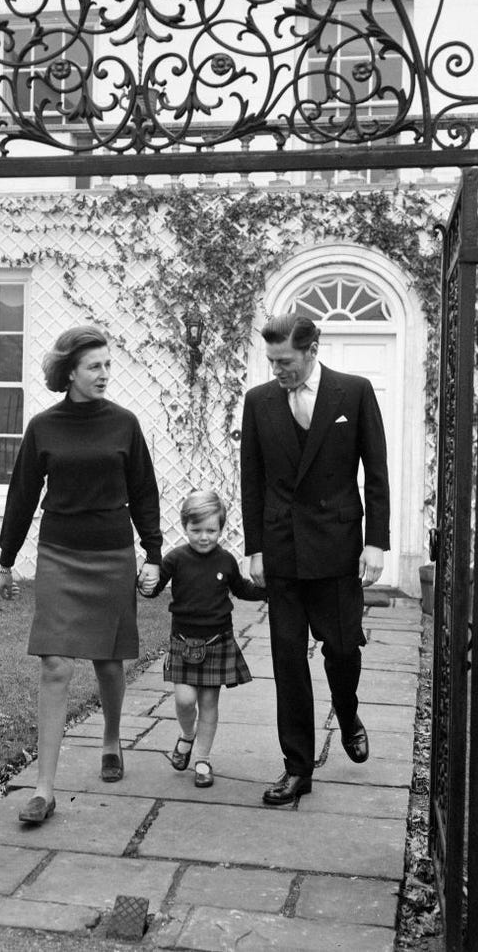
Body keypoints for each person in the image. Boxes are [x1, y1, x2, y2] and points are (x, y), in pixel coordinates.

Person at [0, 325, 162, 824]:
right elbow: (22, 495)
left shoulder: (125, 424)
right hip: (60, 555)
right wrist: (6, 560)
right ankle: (44, 788)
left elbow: (145, 492)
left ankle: (111, 738)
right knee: (55, 665)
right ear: (70, 371)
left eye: (108, 365)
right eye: (95, 366)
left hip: (112, 553)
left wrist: (153, 553)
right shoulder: (44, 427)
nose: (105, 374)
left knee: (109, 662)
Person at [240, 312, 389, 805]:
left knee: (343, 648)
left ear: (311, 349)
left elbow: (376, 472)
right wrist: (255, 547)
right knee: (287, 658)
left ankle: (347, 712)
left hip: (338, 545)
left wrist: (376, 540)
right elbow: (252, 479)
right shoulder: (258, 402)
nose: (277, 370)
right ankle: (297, 767)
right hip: (282, 548)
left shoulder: (355, 391)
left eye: (284, 360)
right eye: (271, 361)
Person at [139, 489, 266, 788]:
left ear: (221, 528)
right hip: (183, 641)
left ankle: (203, 759)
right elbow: (154, 589)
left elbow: (242, 589)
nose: (204, 537)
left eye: (212, 530)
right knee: (185, 699)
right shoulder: (176, 559)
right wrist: (143, 581)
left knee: (209, 703)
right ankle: (186, 735)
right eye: (197, 530)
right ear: (185, 527)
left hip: (217, 641)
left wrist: (268, 590)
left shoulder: (225, 561)